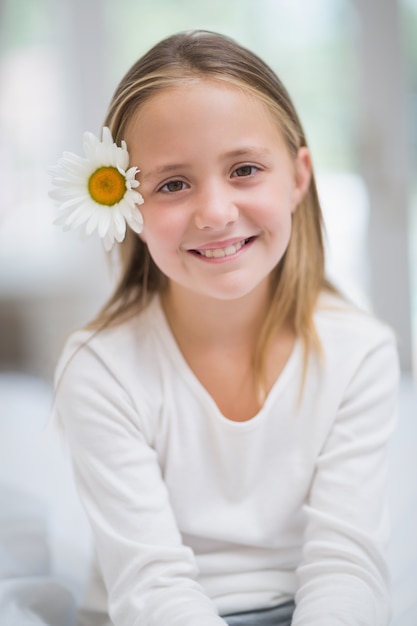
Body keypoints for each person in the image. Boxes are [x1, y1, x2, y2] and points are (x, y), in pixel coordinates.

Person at [51, 30, 400, 626]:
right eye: (173, 184)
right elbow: (151, 585)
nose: (214, 213)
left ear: (297, 177)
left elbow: (344, 568)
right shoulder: (100, 369)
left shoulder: (359, 352)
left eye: (243, 169)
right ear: (127, 206)